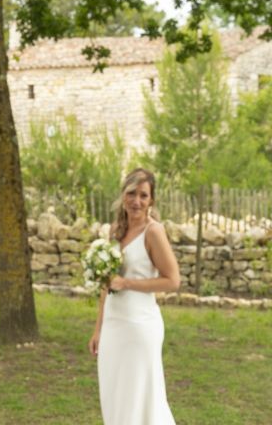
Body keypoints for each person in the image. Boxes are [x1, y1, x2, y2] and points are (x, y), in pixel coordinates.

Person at [88, 168, 180, 425]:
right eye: (131, 193)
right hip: (114, 326)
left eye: (143, 195)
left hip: (140, 326)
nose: (136, 201)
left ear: (152, 200)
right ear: (123, 195)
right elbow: (106, 285)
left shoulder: (153, 232)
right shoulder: (115, 230)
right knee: (114, 395)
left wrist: (126, 282)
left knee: (142, 399)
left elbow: (172, 280)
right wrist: (99, 329)